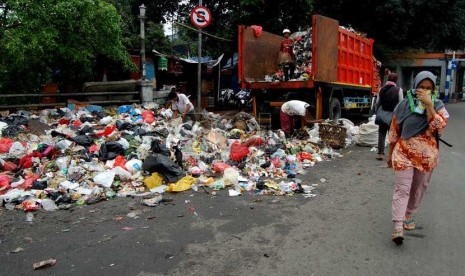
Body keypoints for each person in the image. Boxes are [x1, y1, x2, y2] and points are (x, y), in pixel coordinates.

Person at [388, 71, 449, 245]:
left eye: (429, 88)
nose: (424, 91)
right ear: (415, 87)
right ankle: (398, 226)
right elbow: (394, 132)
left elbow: (438, 128)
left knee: (419, 187)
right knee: (403, 189)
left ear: (434, 90)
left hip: (426, 158)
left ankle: (408, 214)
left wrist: (429, 106)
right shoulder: (403, 105)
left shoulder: (438, 106)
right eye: (421, 87)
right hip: (404, 153)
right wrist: (390, 153)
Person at [375, 73, 403, 160]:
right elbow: (401, 104)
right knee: (393, 135)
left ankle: (380, 154)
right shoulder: (399, 90)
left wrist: (377, 111)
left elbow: (377, 102)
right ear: (396, 80)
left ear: (388, 79)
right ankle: (393, 155)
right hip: (393, 116)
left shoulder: (382, 89)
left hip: (383, 115)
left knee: (381, 134)